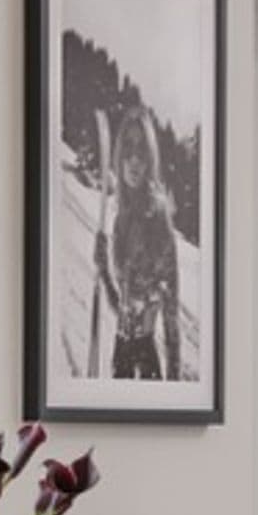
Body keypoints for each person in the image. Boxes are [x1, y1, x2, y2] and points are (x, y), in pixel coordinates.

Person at [93, 106, 180, 381]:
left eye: (141, 150)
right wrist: (105, 270)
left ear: (150, 157)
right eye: (128, 149)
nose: (133, 159)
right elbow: (123, 306)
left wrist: (175, 387)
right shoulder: (121, 218)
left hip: (145, 363)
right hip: (121, 355)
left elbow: (171, 311)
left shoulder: (157, 217)